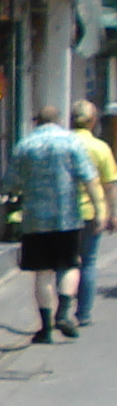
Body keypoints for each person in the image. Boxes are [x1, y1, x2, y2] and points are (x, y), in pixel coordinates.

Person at [11, 105, 99, 344]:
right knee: (71, 265)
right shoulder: (71, 142)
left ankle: (46, 327)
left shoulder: (25, 145)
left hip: (35, 219)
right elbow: (88, 177)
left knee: (43, 273)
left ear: (37, 121)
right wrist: (99, 210)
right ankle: (63, 312)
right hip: (67, 217)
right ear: (59, 120)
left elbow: (11, 182)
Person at [74, 103, 117, 330]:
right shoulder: (100, 148)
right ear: (92, 122)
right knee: (88, 262)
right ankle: (83, 314)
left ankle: (60, 310)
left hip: (63, 214)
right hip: (91, 213)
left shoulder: (64, 144)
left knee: (64, 263)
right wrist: (112, 214)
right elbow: (110, 184)